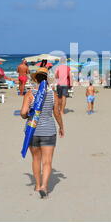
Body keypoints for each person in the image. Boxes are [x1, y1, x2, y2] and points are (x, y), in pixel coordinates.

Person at [20, 66, 64, 199]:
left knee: (36, 159)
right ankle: (45, 186)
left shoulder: (30, 94)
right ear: (47, 80)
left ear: (36, 80)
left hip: (32, 130)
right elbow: (56, 113)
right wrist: (61, 126)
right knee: (47, 161)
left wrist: (26, 116)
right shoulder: (52, 94)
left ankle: (38, 185)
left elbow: (23, 112)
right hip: (49, 131)